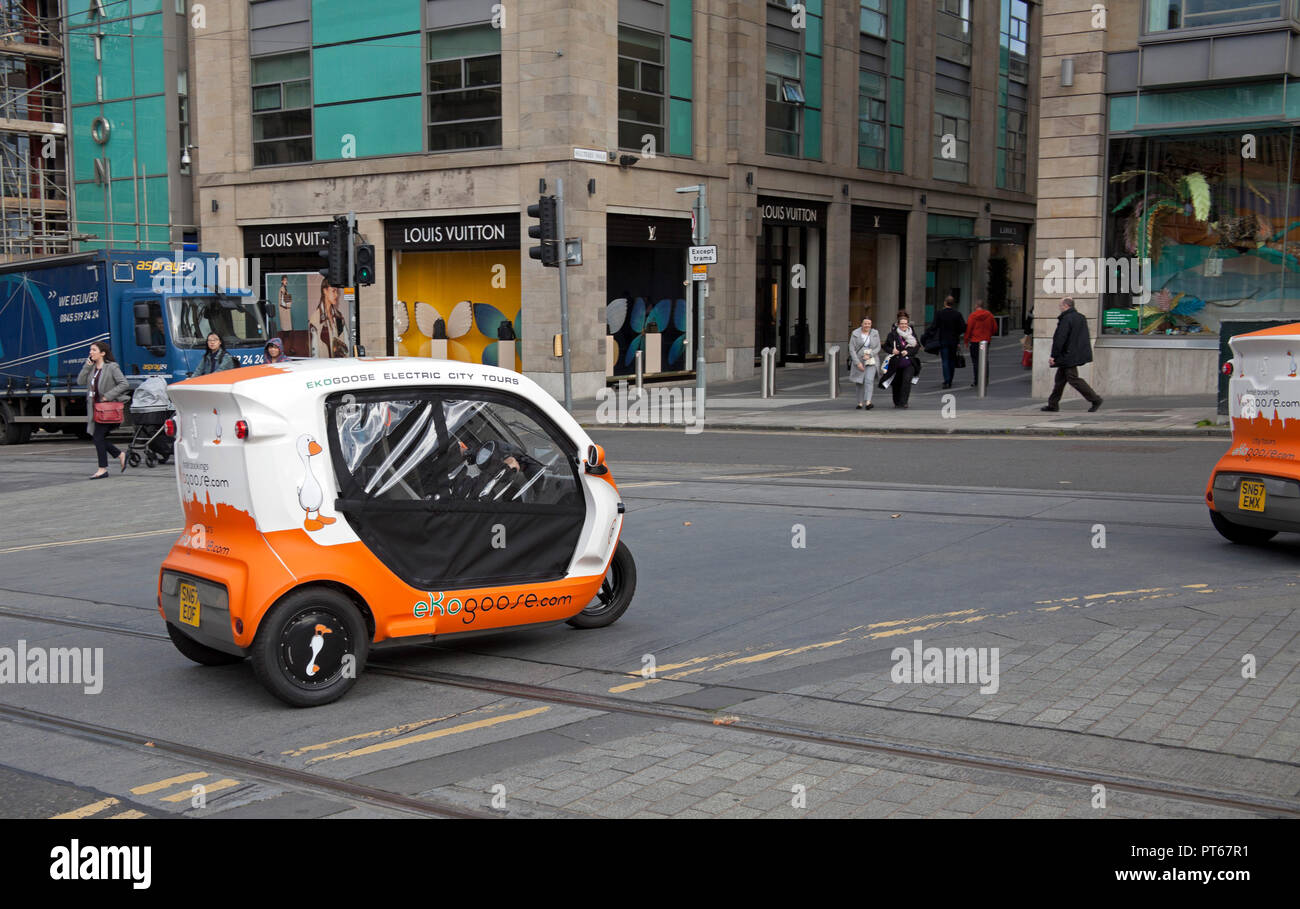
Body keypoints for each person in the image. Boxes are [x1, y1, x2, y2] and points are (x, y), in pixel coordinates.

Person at [77, 341, 129, 479]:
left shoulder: (111, 367)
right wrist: (86, 367)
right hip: (95, 409)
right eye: (90, 350)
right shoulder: (92, 368)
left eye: (94, 350)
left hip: (108, 409)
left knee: (98, 437)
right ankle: (120, 455)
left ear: (103, 353)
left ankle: (103, 469)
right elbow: (80, 381)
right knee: (97, 437)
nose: (90, 352)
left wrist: (108, 396)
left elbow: (124, 383)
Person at [1042, 297, 1103, 412]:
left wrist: (1054, 356)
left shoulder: (1066, 319)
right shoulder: (1080, 318)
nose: (1059, 308)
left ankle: (1095, 399)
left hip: (1068, 355)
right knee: (1060, 380)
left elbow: (1060, 338)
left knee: (1073, 379)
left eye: (1060, 305)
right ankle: (1053, 404)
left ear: (1066, 306)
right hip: (1074, 353)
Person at [881, 311, 922, 408]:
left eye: (905, 323)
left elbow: (917, 346)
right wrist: (892, 350)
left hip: (909, 362)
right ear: (898, 325)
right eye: (902, 324)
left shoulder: (912, 334)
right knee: (896, 382)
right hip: (896, 362)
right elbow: (885, 346)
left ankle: (904, 402)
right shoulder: (892, 335)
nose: (904, 325)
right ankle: (897, 401)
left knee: (906, 380)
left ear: (908, 324)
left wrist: (908, 352)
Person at [848, 317, 881, 410]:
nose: (867, 325)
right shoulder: (855, 334)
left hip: (871, 360)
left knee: (869, 380)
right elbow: (852, 349)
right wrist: (857, 363)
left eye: (869, 324)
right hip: (859, 360)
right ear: (861, 324)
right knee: (859, 382)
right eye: (865, 323)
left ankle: (868, 402)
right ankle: (859, 402)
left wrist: (870, 354)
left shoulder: (875, 333)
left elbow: (878, 347)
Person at [934, 295, 967, 389]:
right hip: (953, 340)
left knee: (945, 361)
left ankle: (946, 380)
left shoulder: (940, 313)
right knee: (952, 360)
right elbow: (963, 327)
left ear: (945, 303)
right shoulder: (957, 314)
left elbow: (934, 326)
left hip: (943, 339)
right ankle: (950, 379)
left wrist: (927, 336)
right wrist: (957, 334)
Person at [965, 299, 997, 386]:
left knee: (975, 361)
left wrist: (966, 340)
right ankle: (985, 379)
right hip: (985, 341)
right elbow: (994, 328)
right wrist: (989, 335)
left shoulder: (972, 316)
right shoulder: (989, 315)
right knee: (984, 360)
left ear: (976, 306)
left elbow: (969, 329)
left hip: (975, 341)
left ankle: (977, 380)